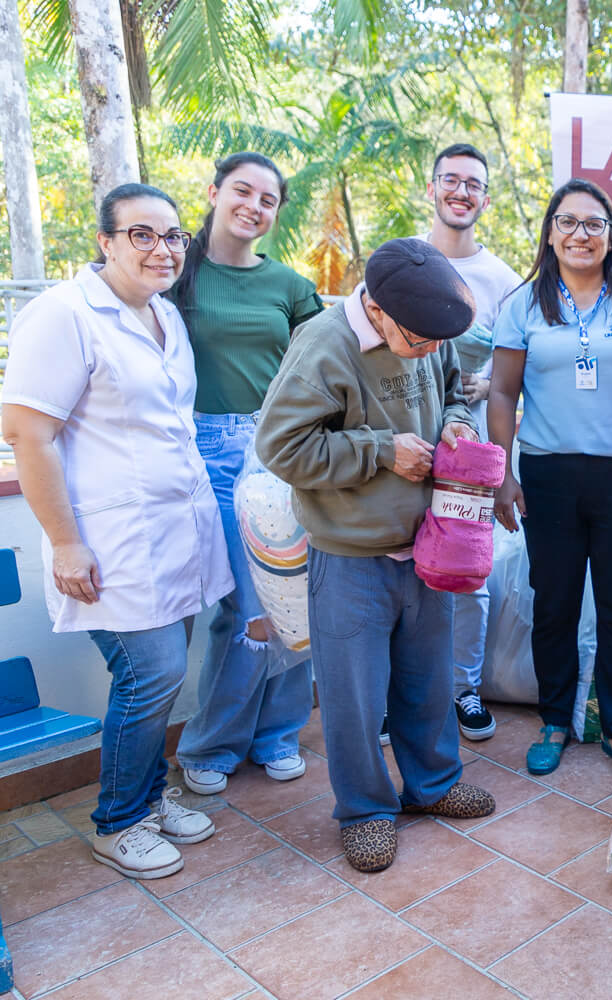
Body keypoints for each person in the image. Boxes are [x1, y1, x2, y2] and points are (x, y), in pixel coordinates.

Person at [2, 183, 228, 879]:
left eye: (172, 237)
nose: (162, 249)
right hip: (110, 541)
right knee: (150, 674)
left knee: (159, 678)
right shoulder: (63, 314)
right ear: (104, 240)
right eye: (142, 234)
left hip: (177, 529)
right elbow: (27, 434)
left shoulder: (165, 315)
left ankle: (148, 798)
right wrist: (67, 542)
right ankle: (117, 822)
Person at [256, 238, 497, 873]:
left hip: (426, 547)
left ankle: (434, 785)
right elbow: (280, 449)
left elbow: (452, 390)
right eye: (416, 340)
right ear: (378, 309)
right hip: (350, 554)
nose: (426, 350)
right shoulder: (323, 345)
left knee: (428, 679)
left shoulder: (431, 332)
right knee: (355, 695)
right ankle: (364, 810)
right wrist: (382, 450)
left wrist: (458, 423)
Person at [488, 178, 612, 778]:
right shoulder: (524, 305)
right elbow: (501, 391)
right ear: (550, 233)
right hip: (548, 477)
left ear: (611, 236)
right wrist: (503, 475)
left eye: (593, 224)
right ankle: (553, 720)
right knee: (556, 607)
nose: (580, 234)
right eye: (568, 222)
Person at [169, 152, 325, 796]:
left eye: (268, 199)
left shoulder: (288, 286)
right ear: (213, 192)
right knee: (241, 606)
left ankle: (277, 733)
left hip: (274, 449)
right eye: (243, 191)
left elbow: (325, 368)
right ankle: (212, 743)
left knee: (292, 597)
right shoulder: (174, 270)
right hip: (196, 445)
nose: (254, 206)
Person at [419, 142, 523, 742]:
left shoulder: (505, 282)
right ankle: (400, 693)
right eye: (450, 180)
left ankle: (464, 688)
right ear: (431, 189)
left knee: (468, 574)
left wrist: (488, 385)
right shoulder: (402, 261)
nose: (461, 192)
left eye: (473, 184)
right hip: (403, 443)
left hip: (469, 459)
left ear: (485, 199)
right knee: (398, 570)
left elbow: (519, 372)